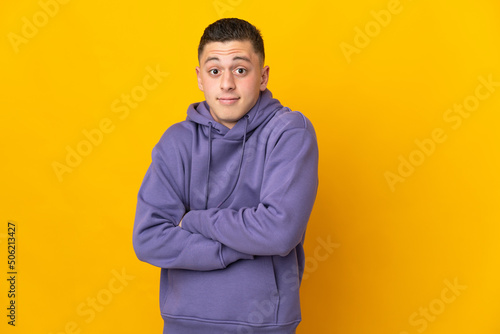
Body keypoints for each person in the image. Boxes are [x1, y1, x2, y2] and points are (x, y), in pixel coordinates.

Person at [133, 18, 319, 334]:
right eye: (215, 70)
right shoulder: (176, 141)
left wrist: (194, 221)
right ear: (200, 78)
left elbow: (279, 232)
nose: (227, 83)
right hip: (184, 323)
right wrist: (237, 246)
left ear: (263, 76)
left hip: (264, 324)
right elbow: (149, 239)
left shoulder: (289, 132)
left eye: (241, 69)